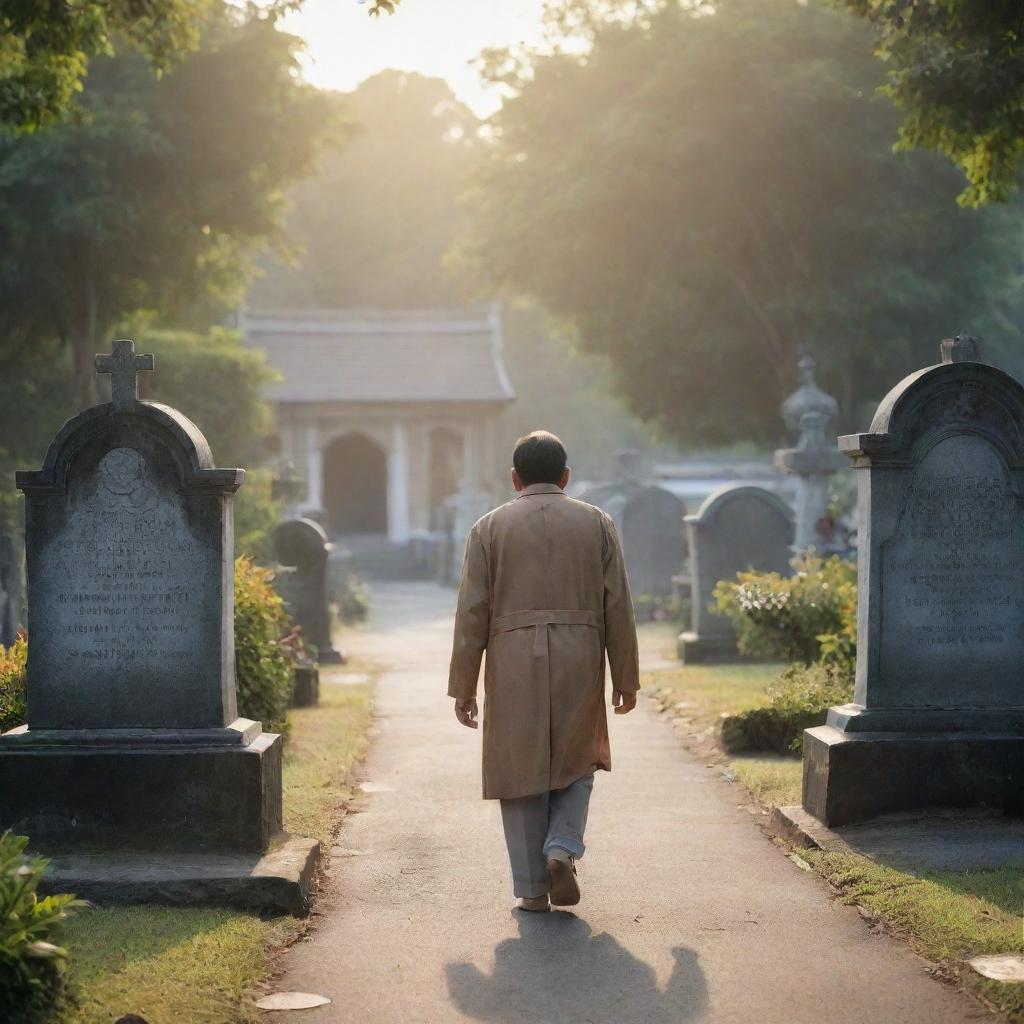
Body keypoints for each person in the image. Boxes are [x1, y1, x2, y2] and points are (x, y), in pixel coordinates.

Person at [448, 430, 640, 912]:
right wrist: (626, 676)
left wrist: (463, 686)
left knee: (519, 767)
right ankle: (561, 847)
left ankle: (533, 891)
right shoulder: (597, 523)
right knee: (580, 757)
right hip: (581, 651)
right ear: (566, 477)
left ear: (514, 479)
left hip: (512, 655)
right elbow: (618, 604)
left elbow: (472, 612)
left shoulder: (488, 528)